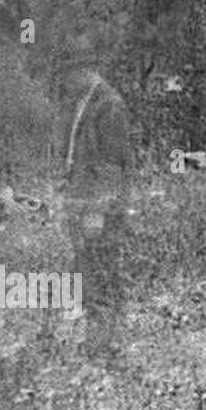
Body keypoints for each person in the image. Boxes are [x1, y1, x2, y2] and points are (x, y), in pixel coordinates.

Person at [54, 46, 132, 356]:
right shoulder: (84, 102)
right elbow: (83, 155)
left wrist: (97, 211)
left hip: (100, 209)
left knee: (101, 273)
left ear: (85, 72)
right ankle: (97, 341)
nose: (66, 82)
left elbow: (112, 164)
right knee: (87, 272)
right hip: (83, 201)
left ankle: (105, 344)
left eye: (69, 75)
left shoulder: (109, 105)